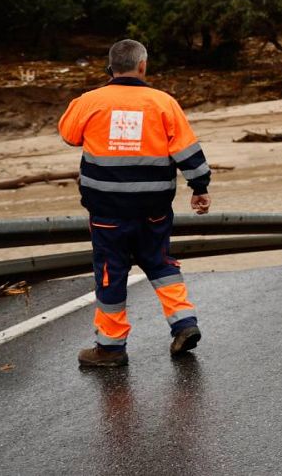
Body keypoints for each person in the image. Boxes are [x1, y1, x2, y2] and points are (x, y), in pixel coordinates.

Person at [58, 39, 212, 368]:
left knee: (110, 273)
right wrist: (200, 187)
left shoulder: (90, 101)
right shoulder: (163, 103)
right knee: (160, 263)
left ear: (110, 67)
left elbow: (69, 134)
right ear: (143, 66)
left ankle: (111, 348)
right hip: (153, 209)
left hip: (108, 212)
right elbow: (187, 152)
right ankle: (184, 324)